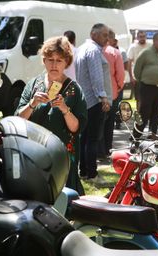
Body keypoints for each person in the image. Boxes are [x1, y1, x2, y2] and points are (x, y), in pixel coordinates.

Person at [16, 36, 87, 195]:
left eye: (59, 60)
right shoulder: (34, 85)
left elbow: (76, 128)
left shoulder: (74, 90)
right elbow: (19, 119)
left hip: (62, 157)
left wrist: (64, 109)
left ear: (66, 62)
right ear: (44, 61)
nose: (54, 65)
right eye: (50, 59)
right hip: (34, 153)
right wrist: (32, 104)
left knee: (62, 199)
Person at [75, 23, 111, 186]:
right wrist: (103, 96)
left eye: (108, 35)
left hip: (84, 99)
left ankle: (83, 171)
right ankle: (91, 173)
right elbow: (96, 76)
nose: (107, 38)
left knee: (84, 139)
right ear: (93, 34)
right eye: (104, 35)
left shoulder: (82, 48)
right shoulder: (94, 50)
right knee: (92, 139)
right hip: (94, 100)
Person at [132, 31, 158, 140]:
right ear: (154, 41)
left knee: (157, 112)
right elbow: (137, 70)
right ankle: (136, 134)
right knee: (144, 112)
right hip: (147, 86)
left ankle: (153, 133)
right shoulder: (145, 53)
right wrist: (142, 81)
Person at [101, 29, 125, 157]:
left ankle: (98, 149)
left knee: (98, 122)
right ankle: (106, 149)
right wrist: (119, 86)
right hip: (112, 91)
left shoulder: (96, 50)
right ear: (110, 39)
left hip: (96, 93)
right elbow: (120, 74)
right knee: (109, 123)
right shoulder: (115, 53)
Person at [127, 30, 149, 108]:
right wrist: (131, 77)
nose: (142, 38)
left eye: (143, 36)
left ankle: (147, 115)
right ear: (137, 37)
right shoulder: (133, 47)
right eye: (140, 37)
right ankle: (139, 115)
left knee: (148, 97)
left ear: (146, 37)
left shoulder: (150, 46)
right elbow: (129, 63)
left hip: (149, 77)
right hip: (137, 77)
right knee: (138, 98)